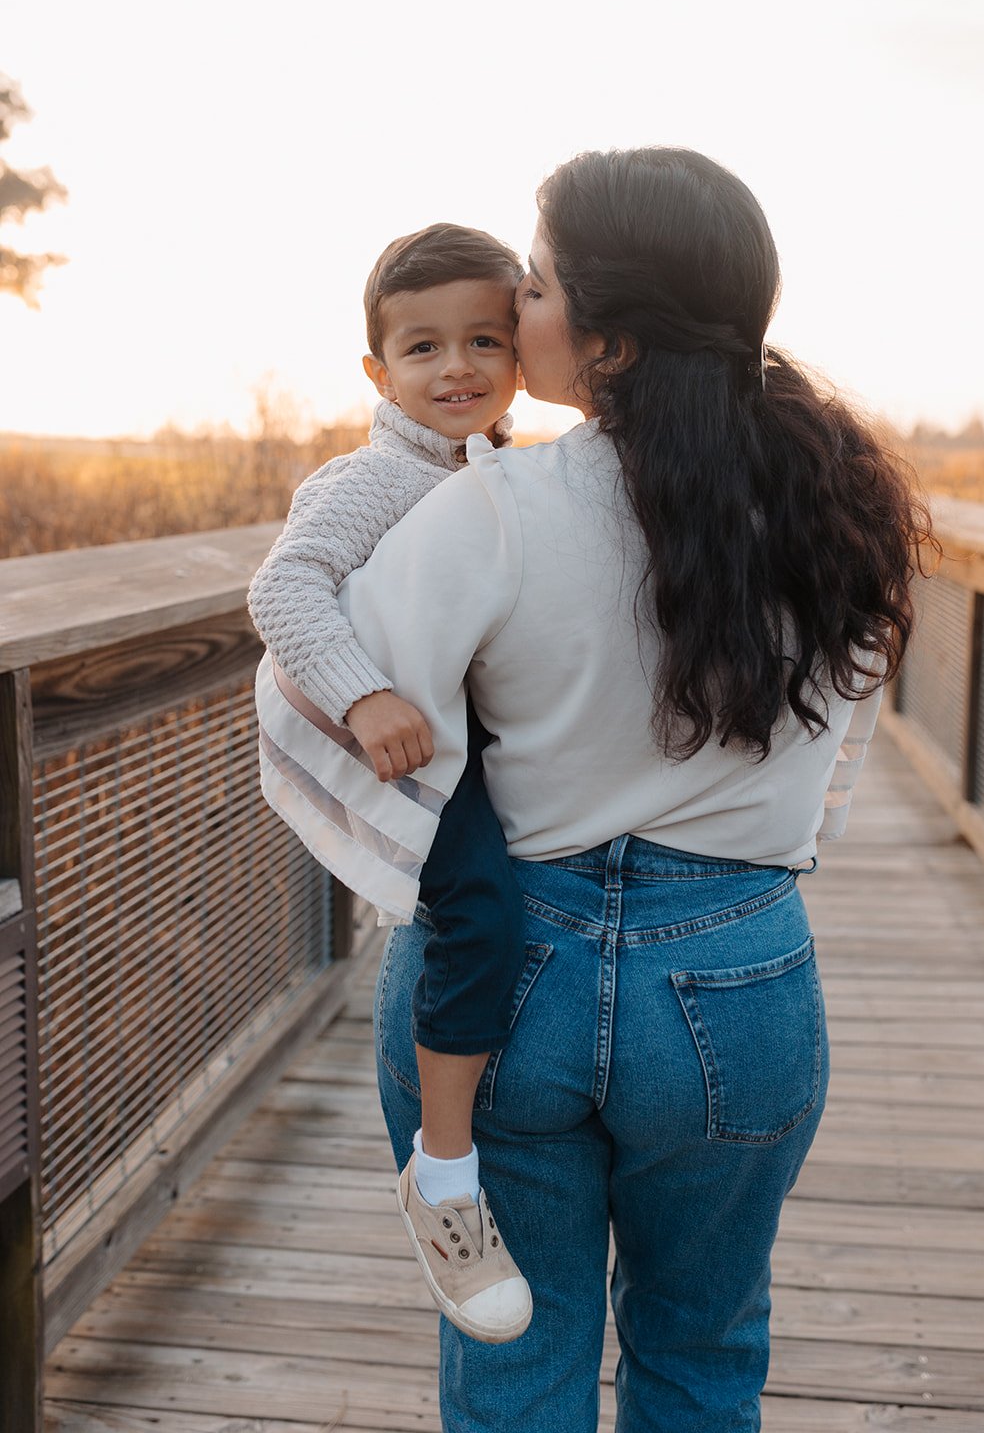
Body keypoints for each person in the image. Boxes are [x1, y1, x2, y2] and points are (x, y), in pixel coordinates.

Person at [331, 147, 933, 1432]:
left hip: (510, 984)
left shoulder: (490, 506)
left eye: (538, 287)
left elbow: (338, 691)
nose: (516, 310)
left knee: (516, 1361)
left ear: (607, 340)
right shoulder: (836, 508)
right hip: (734, 975)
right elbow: (831, 763)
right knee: (700, 1350)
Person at [248, 222, 535, 1343]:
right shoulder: (375, 476)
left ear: (519, 354)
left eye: (481, 340)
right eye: (421, 349)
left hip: (473, 730)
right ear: (378, 373)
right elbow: (284, 589)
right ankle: (443, 1168)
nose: (454, 368)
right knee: (477, 909)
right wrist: (362, 694)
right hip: (400, 733)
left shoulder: (507, 469)